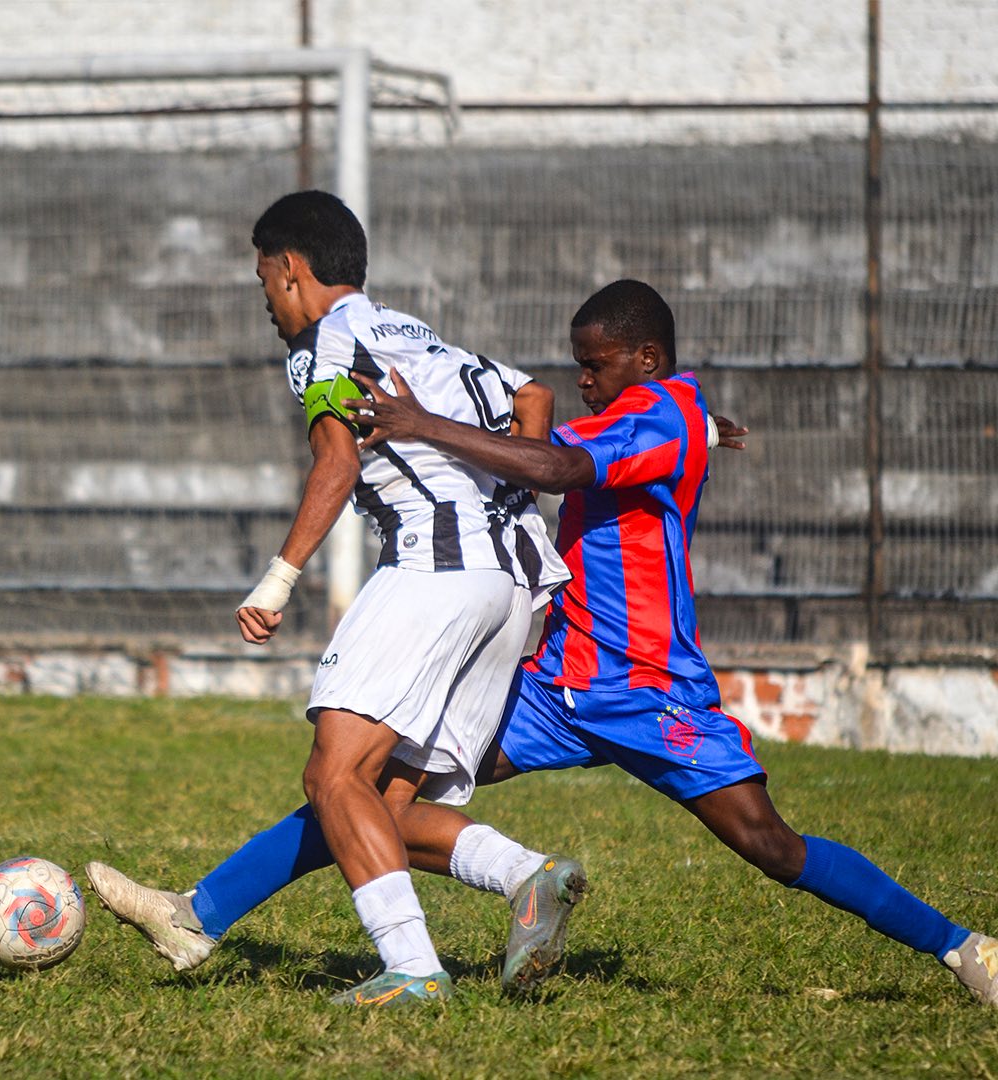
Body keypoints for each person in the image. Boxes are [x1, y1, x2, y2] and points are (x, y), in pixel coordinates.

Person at [343, 277, 998, 1010]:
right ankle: (209, 911)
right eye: (579, 366)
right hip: (558, 686)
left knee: (772, 847)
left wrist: (423, 423)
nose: (584, 382)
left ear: (647, 357)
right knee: (373, 791)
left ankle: (966, 948)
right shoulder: (659, 414)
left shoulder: (659, 415)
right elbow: (547, 449)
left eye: (597, 366)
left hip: (650, 692)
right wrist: (703, 429)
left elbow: (556, 467)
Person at [86, 189, 588, 1008]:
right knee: (378, 800)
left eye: (262, 283)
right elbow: (532, 393)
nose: (267, 303)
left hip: (437, 564)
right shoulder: (419, 336)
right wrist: (514, 477)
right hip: (510, 586)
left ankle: (414, 971)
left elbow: (336, 466)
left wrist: (278, 579)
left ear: (291, 270)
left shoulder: (323, 344)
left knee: (333, 774)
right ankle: (526, 877)